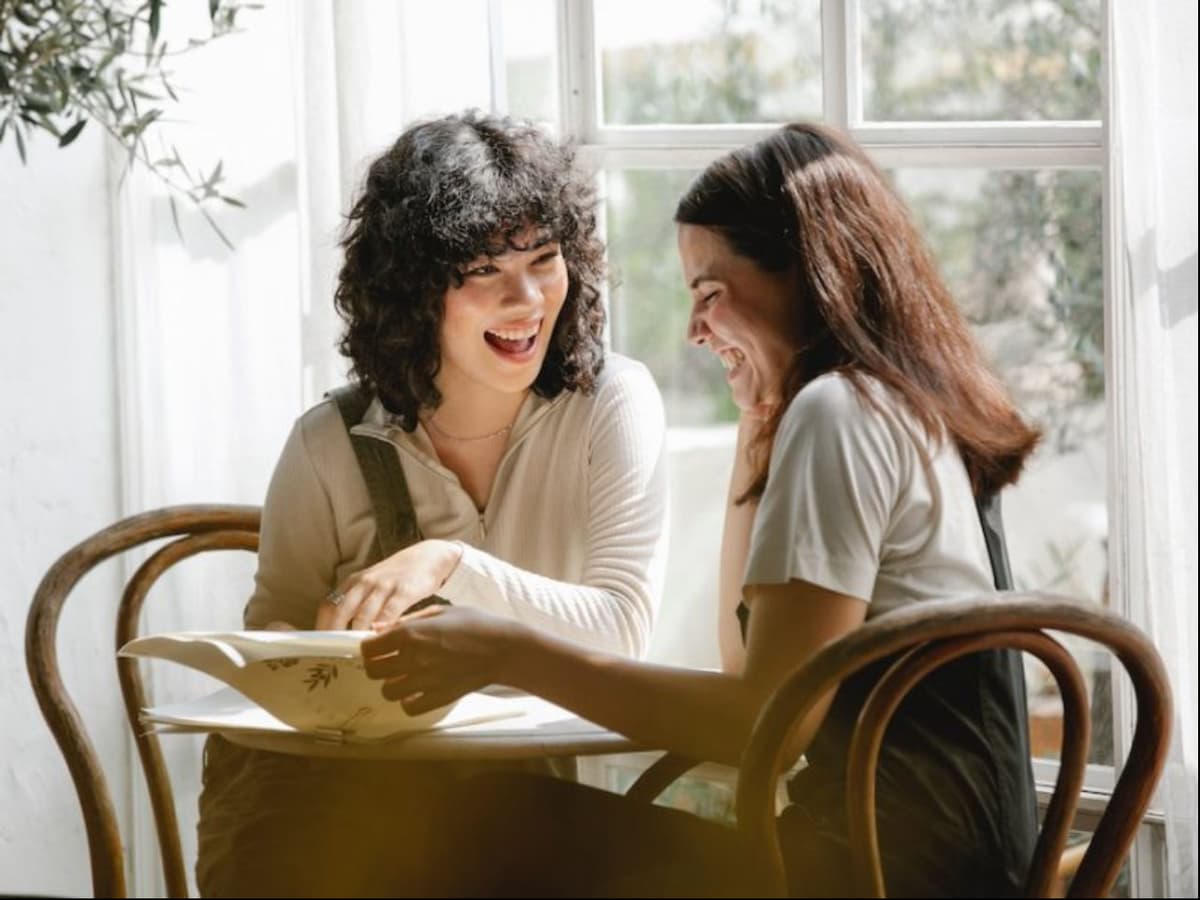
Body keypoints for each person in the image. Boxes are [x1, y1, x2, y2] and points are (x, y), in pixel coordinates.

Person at [362, 121, 1043, 898]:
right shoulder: (889, 403)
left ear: (806, 274)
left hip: (878, 873)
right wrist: (758, 427)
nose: (692, 330)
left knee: (480, 825)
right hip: (951, 863)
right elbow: (746, 671)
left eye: (709, 295)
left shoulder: (841, 414)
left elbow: (764, 728)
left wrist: (507, 654)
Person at [195, 110, 668, 898]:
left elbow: (623, 631)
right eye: (483, 271)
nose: (527, 301)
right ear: (414, 291)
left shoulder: (611, 403)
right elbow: (273, 632)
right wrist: (312, 651)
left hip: (522, 810)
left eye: (545, 261)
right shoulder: (328, 442)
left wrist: (448, 563)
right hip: (346, 814)